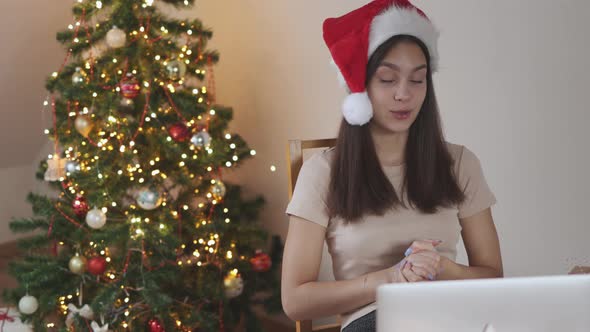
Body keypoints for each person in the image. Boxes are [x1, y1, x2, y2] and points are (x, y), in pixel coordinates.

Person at [281, 0, 504, 331]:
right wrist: (387, 279)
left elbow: (492, 276)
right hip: (374, 319)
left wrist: (443, 269)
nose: (405, 94)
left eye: (417, 80)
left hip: (452, 315)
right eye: (387, 79)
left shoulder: (460, 163)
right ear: (361, 86)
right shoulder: (323, 174)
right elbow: (295, 300)